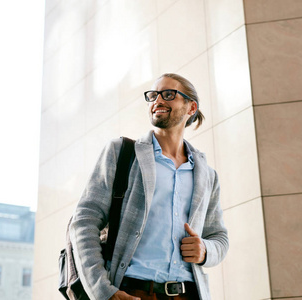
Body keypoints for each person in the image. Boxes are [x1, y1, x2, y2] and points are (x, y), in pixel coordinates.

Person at [69, 73, 229, 300]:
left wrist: (205, 251)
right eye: (153, 95)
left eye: (169, 94)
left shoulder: (206, 175)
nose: (158, 101)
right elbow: (84, 221)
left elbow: (219, 237)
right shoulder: (122, 153)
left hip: (187, 293)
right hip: (131, 292)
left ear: (191, 108)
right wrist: (103, 292)